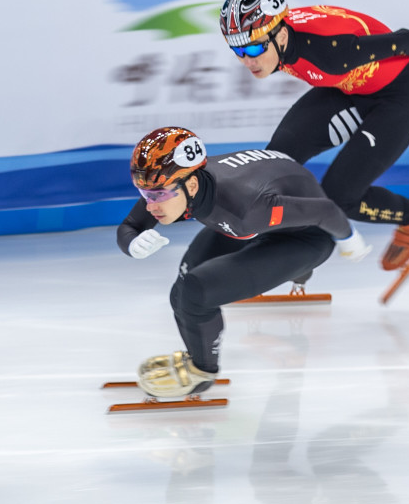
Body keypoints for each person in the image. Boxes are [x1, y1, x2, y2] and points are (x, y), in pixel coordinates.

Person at [117, 126, 369, 398]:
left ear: (190, 184)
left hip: (306, 238)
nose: (150, 205)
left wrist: (349, 239)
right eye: (145, 195)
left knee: (196, 293)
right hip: (260, 219)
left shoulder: (245, 208)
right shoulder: (179, 180)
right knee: (181, 289)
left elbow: (326, 210)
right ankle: (197, 356)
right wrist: (132, 243)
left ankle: (202, 373)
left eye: (158, 196)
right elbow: (132, 225)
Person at [219, 0, 409, 271]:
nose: (247, 60)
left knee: (340, 197)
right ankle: (268, 256)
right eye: (237, 50)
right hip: (348, 89)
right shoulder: (281, 39)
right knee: (273, 164)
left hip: (401, 95)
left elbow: (404, 40)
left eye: (254, 47)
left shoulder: (329, 53)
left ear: (282, 33)